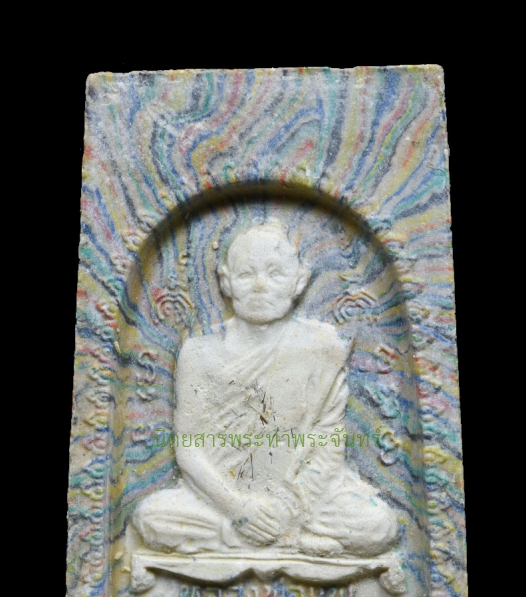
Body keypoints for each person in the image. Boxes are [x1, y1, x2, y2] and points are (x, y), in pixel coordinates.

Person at [133, 223, 397, 558]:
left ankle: (268, 534)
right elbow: (189, 448)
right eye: (246, 274)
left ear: (299, 281)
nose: (260, 286)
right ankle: (283, 539)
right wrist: (238, 509)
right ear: (226, 282)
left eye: (275, 273)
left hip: (304, 500)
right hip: (222, 502)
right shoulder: (199, 353)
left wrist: (291, 507)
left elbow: (328, 442)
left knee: (379, 524)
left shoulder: (323, 346)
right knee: (151, 517)